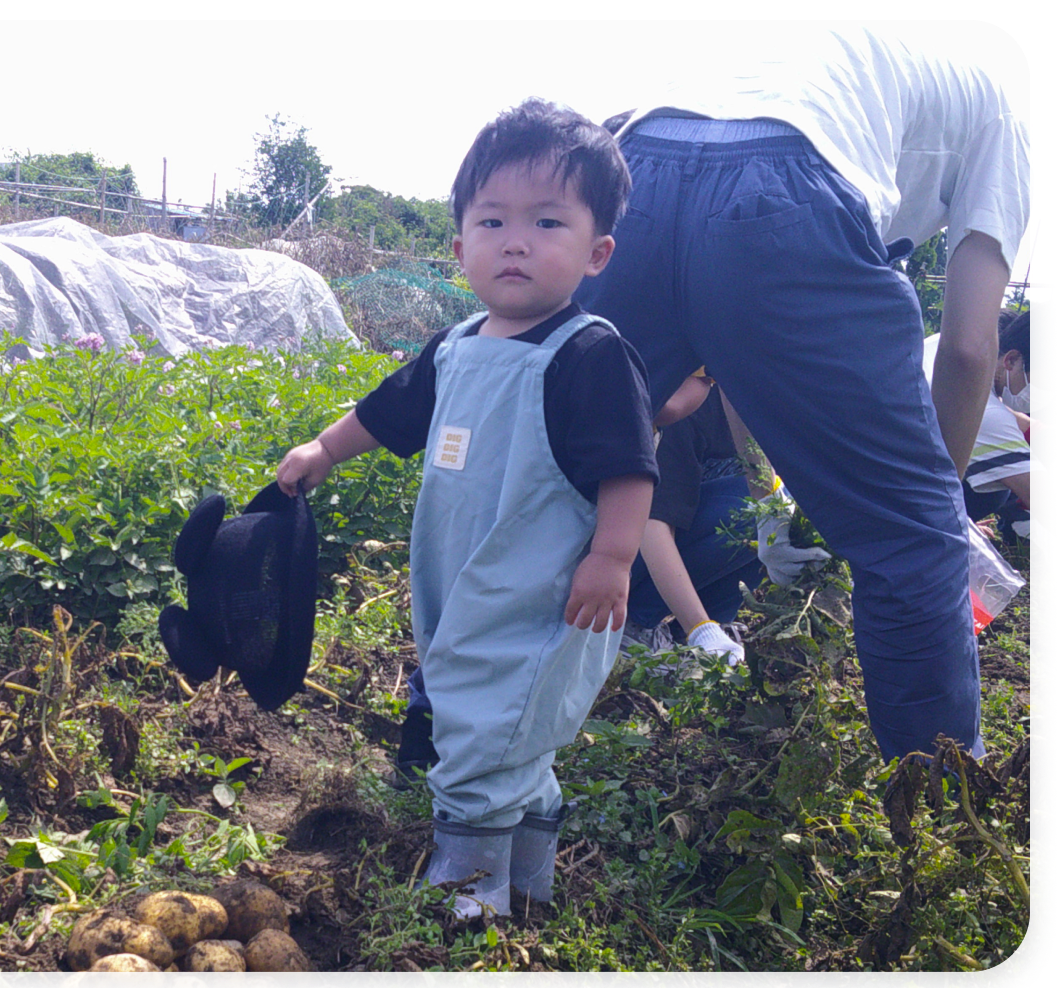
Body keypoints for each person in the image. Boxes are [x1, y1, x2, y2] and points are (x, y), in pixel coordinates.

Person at [576, 28, 1033, 762]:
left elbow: (735, 356)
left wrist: (769, 495)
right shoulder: (1004, 121)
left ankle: (444, 751)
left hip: (639, 165)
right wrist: (933, 507)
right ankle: (942, 810)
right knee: (912, 545)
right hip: (788, 181)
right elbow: (972, 345)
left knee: (550, 477)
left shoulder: (830, 63)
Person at [277, 99, 657, 915]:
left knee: (487, 733)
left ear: (597, 252)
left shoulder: (588, 354)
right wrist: (321, 450)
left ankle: (468, 911)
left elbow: (630, 468)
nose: (516, 240)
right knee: (497, 725)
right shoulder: (454, 347)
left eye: (548, 222)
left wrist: (613, 556)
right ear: (459, 248)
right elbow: (386, 413)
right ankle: (528, 883)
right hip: (462, 589)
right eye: (493, 220)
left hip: (544, 595)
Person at [622, 380, 764, 666]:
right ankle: (636, 623)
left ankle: (704, 633)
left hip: (680, 529)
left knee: (779, 514)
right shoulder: (685, 402)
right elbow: (651, 524)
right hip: (621, 546)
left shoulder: (766, 408)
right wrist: (699, 627)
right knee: (754, 506)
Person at [923, 302, 1054, 567]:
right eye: (1043, 384)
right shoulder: (981, 406)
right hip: (883, 497)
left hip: (868, 463)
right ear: (1011, 359)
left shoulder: (949, 347)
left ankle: (953, 523)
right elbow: (1042, 502)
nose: (1045, 396)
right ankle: (936, 531)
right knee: (998, 490)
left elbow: (1018, 424)